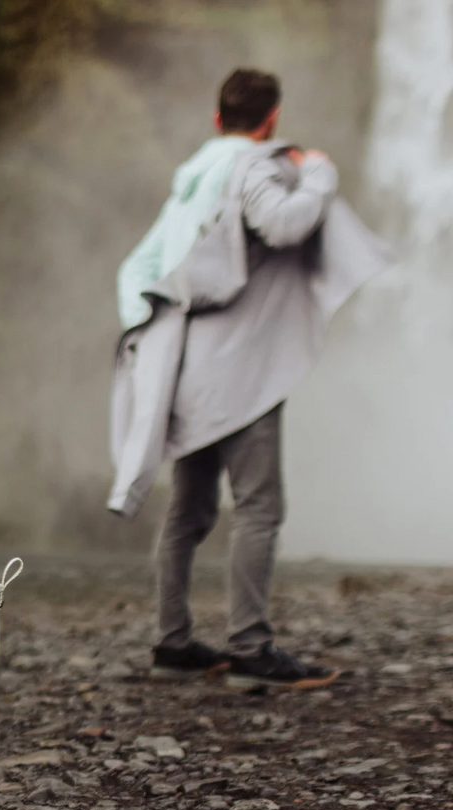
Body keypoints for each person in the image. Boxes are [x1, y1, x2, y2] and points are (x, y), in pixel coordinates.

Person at [110, 68, 391, 694]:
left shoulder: (188, 185)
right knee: (260, 507)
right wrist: (319, 170)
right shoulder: (259, 166)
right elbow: (285, 225)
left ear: (217, 119)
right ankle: (251, 647)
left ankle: (173, 642)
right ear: (271, 119)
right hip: (240, 371)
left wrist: (149, 339)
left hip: (187, 363)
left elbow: (142, 268)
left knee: (190, 509)